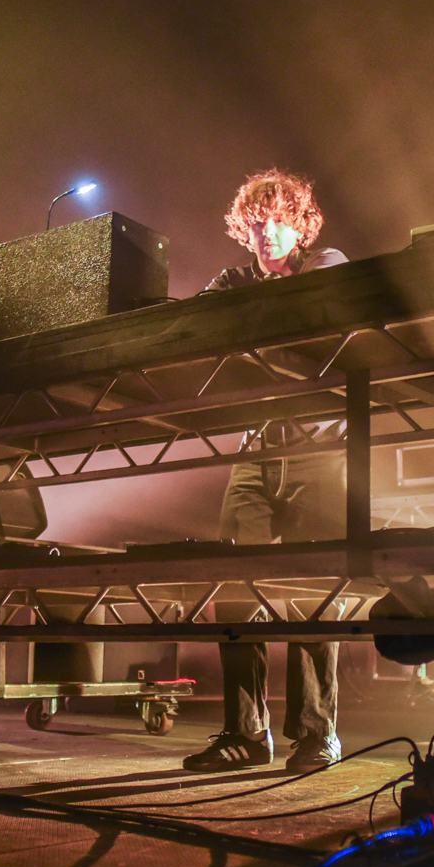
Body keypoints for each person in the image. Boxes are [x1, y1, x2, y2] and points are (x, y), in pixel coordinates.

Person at [183, 170, 349, 774]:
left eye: (277, 221)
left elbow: (302, 324)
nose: (266, 234)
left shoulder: (326, 264)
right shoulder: (235, 280)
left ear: (299, 224)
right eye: (255, 225)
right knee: (233, 588)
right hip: (257, 450)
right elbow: (192, 323)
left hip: (321, 449)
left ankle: (317, 732)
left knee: (311, 590)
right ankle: (245, 735)